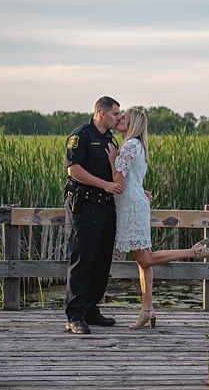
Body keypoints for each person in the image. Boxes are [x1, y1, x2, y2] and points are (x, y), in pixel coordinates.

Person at [107, 107, 209, 330]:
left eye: (124, 118)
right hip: (135, 203)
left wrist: (112, 159)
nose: (119, 120)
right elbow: (132, 180)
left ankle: (193, 251)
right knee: (143, 260)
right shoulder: (137, 145)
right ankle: (147, 309)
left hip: (130, 207)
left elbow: (117, 183)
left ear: (132, 124)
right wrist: (141, 190)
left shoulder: (129, 146)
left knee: (146, 258)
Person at [63, 96, 124, 334]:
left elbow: (116, 172)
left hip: (106, 206)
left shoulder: (110, 139)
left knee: (102, 259)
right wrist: (104, 185)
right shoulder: (81, 136)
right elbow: (74, 170)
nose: (118, 118)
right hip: (84, 205)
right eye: (115, 114)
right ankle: (74, 316)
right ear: (102, 113)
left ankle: (90, 309)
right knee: (82, 259)